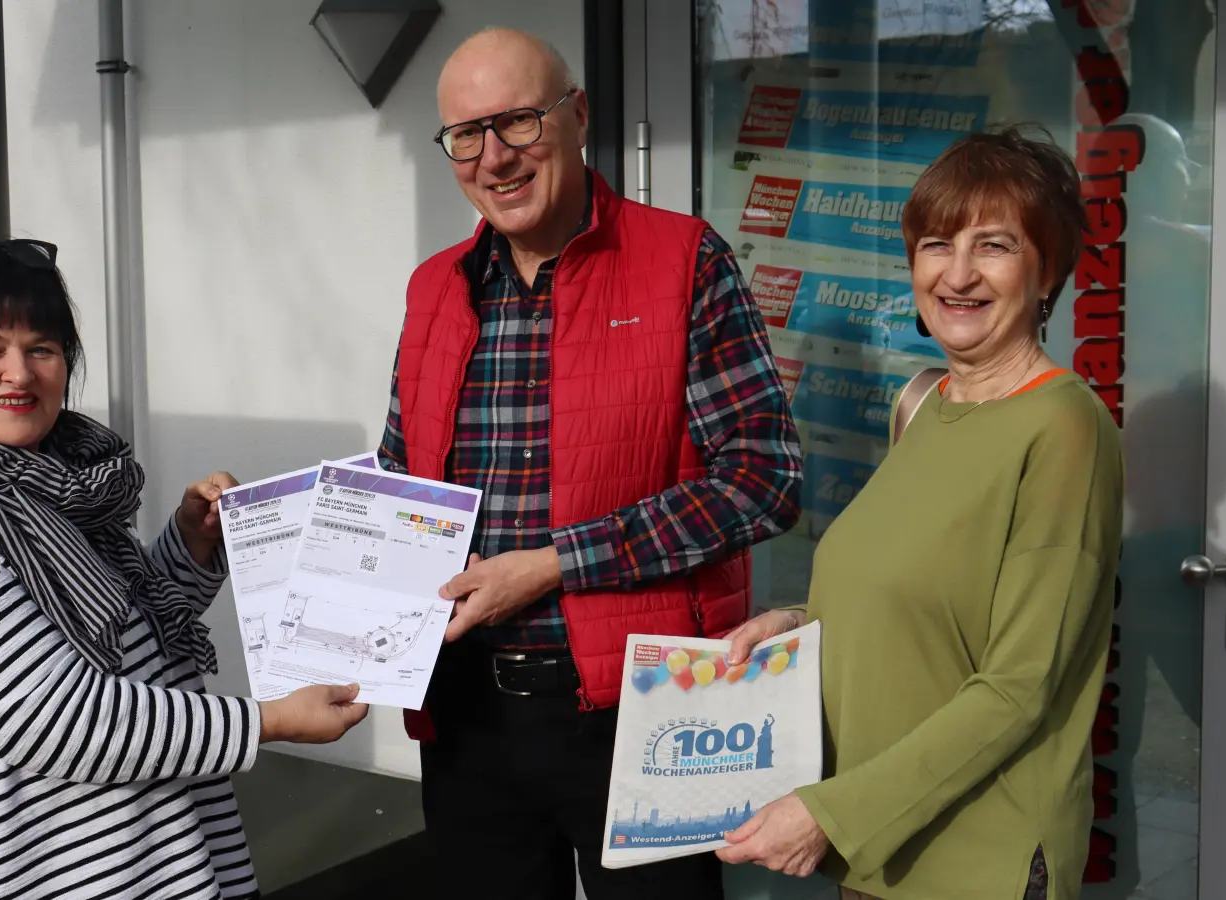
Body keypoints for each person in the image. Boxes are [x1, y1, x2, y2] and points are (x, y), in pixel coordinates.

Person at [377, 28, 803, 900]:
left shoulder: (685, 261)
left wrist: (555, 564)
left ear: (577, 117)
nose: (494, 157)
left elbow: (762, 479)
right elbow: (399, 484)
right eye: (467, 134)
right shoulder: (435, 287)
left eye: (518, 122)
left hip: (639, 716)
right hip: (465, 716)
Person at [0, 237, 369, 900]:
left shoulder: (52, 495)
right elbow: (61, 718)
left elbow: (112, 643)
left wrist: (187, 546)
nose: (20, 373)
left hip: (130, 863)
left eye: (42, 348)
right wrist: (268, 720)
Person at [717, 126, 1125, 900]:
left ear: (1049, 273)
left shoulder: (1065, 428)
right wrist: (802, 623)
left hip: (975, 861)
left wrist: (834, 814)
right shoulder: (924, 402)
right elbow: (932, 598)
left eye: (995, 246)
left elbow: (1020, 686)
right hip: (881, 852)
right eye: (938, 244)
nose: (959, 273)